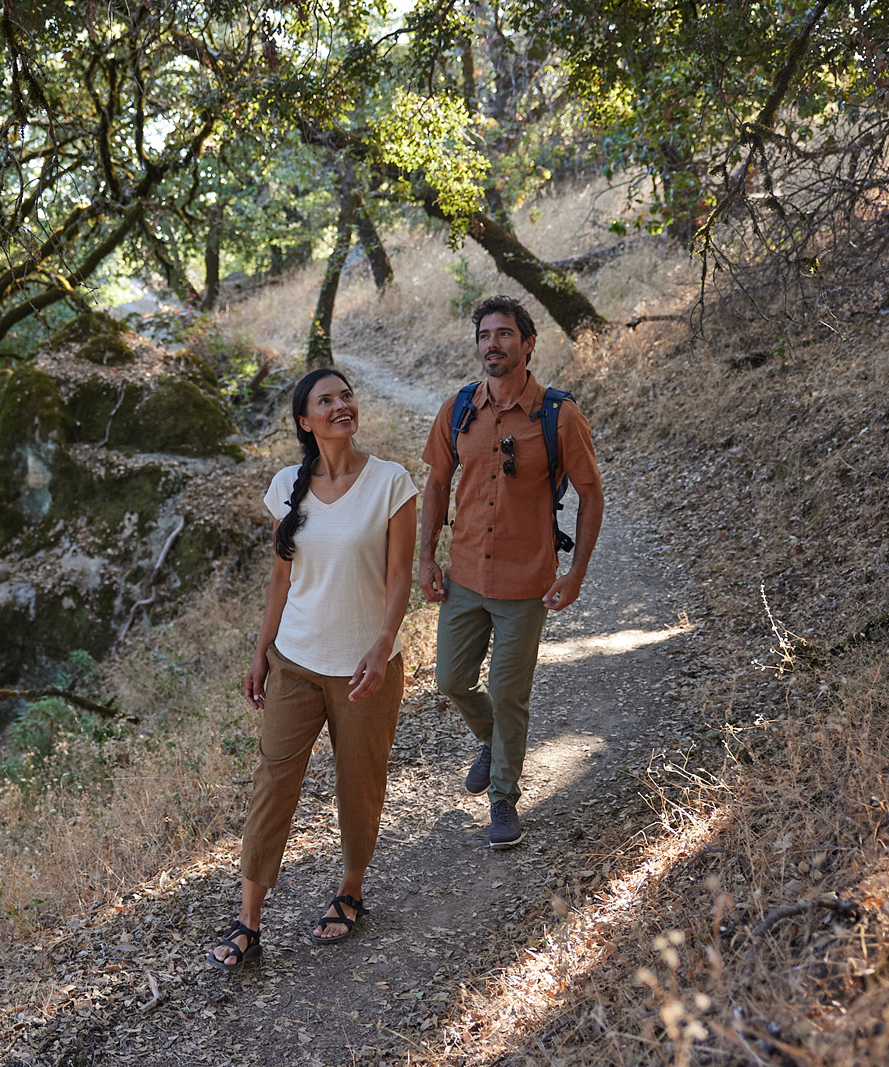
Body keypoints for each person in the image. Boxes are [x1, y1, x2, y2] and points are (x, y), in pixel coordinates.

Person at [209, 368, 418, 972]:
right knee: (273, 782)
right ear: (306, 420)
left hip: (365, 668)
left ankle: (350, 891)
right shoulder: (285, 486)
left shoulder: (390, 482)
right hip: (295, 661)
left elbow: (399, 577)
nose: (341, 405)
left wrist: (383, 644)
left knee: (359, 779)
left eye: (346, 395)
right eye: (326, 400)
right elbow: (281, 577)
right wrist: (261, 651)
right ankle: (248, 921)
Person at [418, 295, 604, 850]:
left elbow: (591, 495)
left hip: (526, 581)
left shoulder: (558, 415)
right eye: (484, 335)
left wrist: (576, 573)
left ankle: (503, 797)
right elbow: (436, 484)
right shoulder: (458, 409)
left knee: (508, 691)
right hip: (466, 574)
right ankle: (491, 739)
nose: (492, 344)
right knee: (451, 680)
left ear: (528, 344)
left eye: (504, 334)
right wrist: (426, 557)